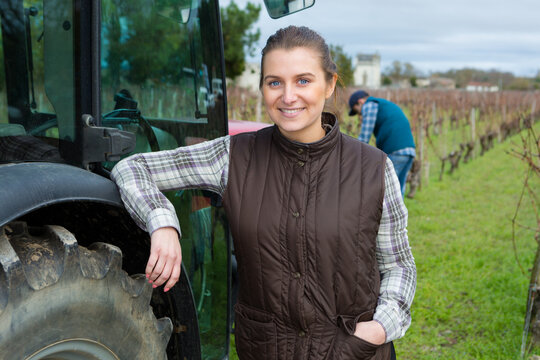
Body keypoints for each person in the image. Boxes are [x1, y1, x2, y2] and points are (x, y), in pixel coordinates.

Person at [111, 26, 416, 360]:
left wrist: (379, 329)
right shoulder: (233, 157)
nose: (288, 96)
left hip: (354, 352)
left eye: (303, 80)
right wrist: (163, 222)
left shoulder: (373, 168)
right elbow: (132, 168)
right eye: (275, 82)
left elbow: (399, 266)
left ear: (329, 84)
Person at [348, 90, 416, 196]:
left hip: (396, 151)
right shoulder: (382, 104)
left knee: (385, 193)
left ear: (360, 102)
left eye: (357, 111)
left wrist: (351, 156)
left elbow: (364, 137)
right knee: (397, 194)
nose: (359, 115)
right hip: (409, 151)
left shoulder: (369, 105)